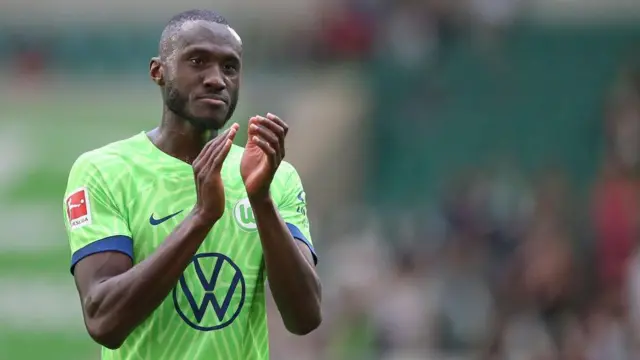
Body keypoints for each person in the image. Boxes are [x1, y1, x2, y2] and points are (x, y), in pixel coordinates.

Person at [62, 9, 322, 360]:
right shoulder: (104, 171)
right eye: (197, 61)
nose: (216, 78)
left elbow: (304, 318)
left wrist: (261, 201)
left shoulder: (275, 178)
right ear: (159, 71)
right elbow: (104, 321)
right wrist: (202, 217)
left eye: (230, 67)